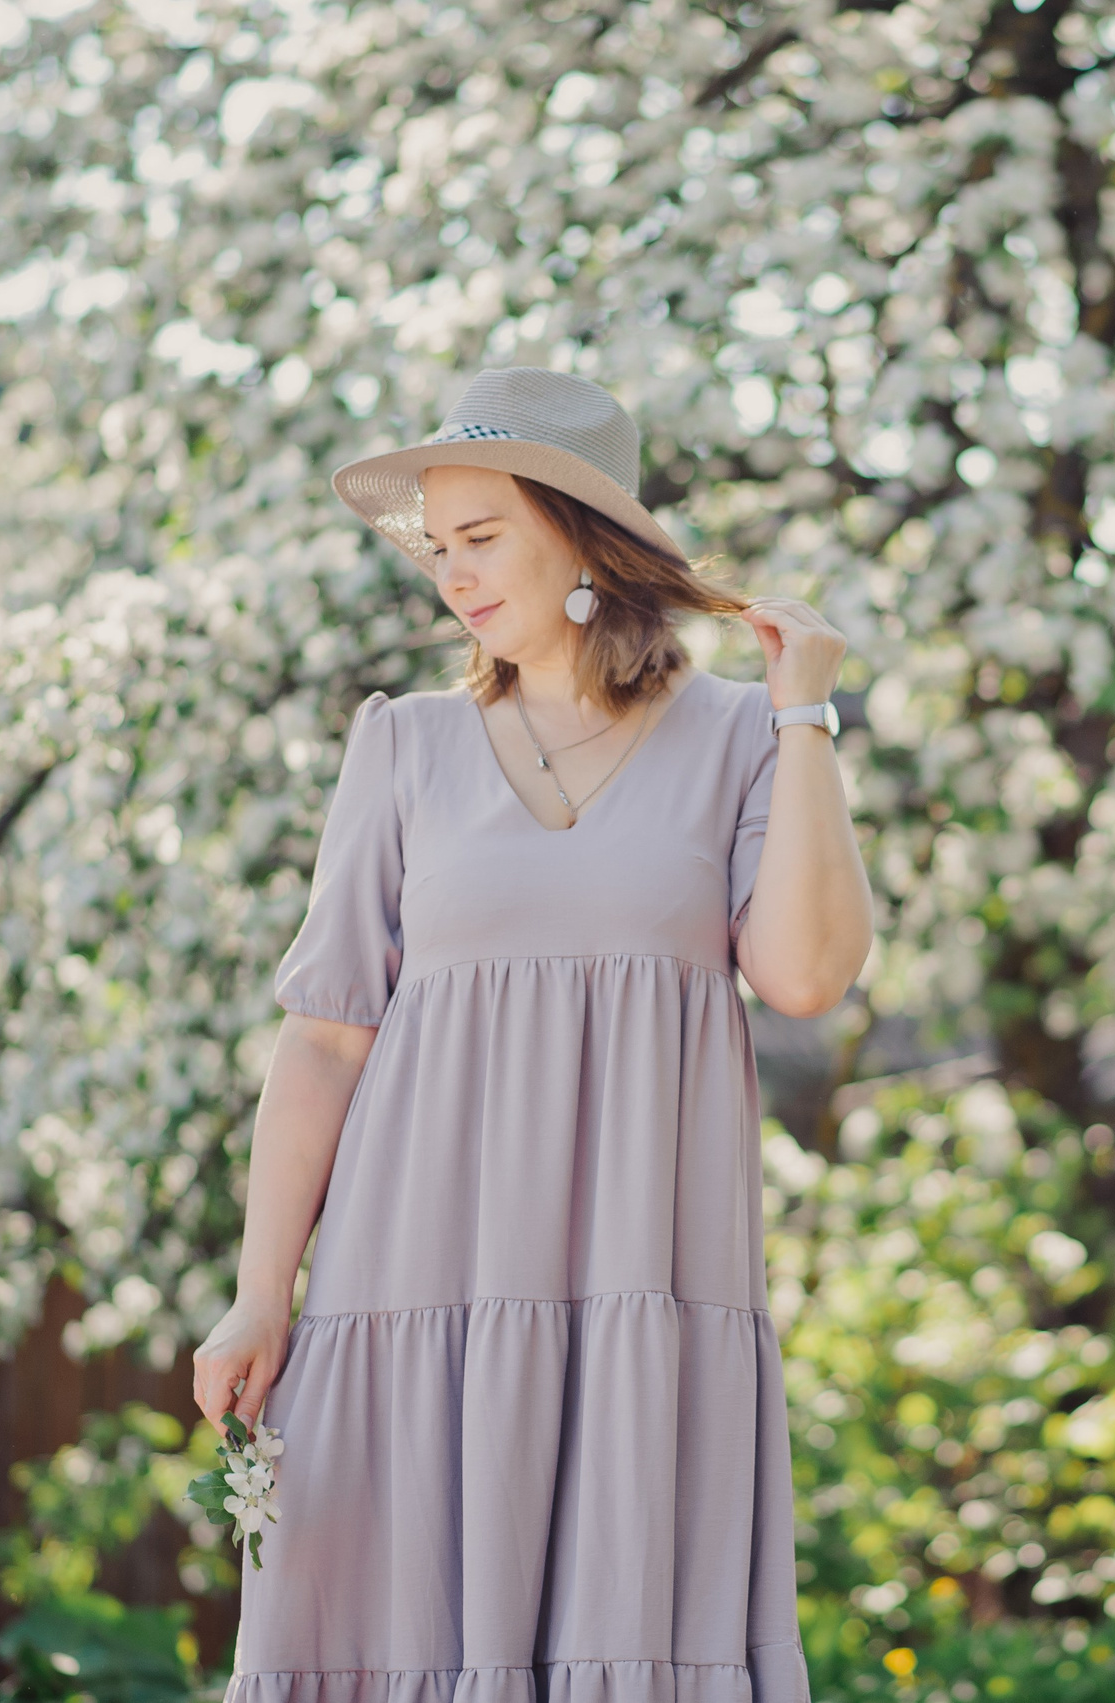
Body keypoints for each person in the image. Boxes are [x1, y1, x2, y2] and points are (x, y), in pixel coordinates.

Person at [190, 367, 872, 1703]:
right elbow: (326, 1041)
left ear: (580, 530)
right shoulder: (405, 748)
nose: (452, 574)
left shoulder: (742, 734)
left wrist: (805, 715)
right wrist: (261, 1290)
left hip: (639, 1280)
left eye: (482, 536)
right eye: (437, 547)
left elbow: (802, 973)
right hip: (412, 1278)